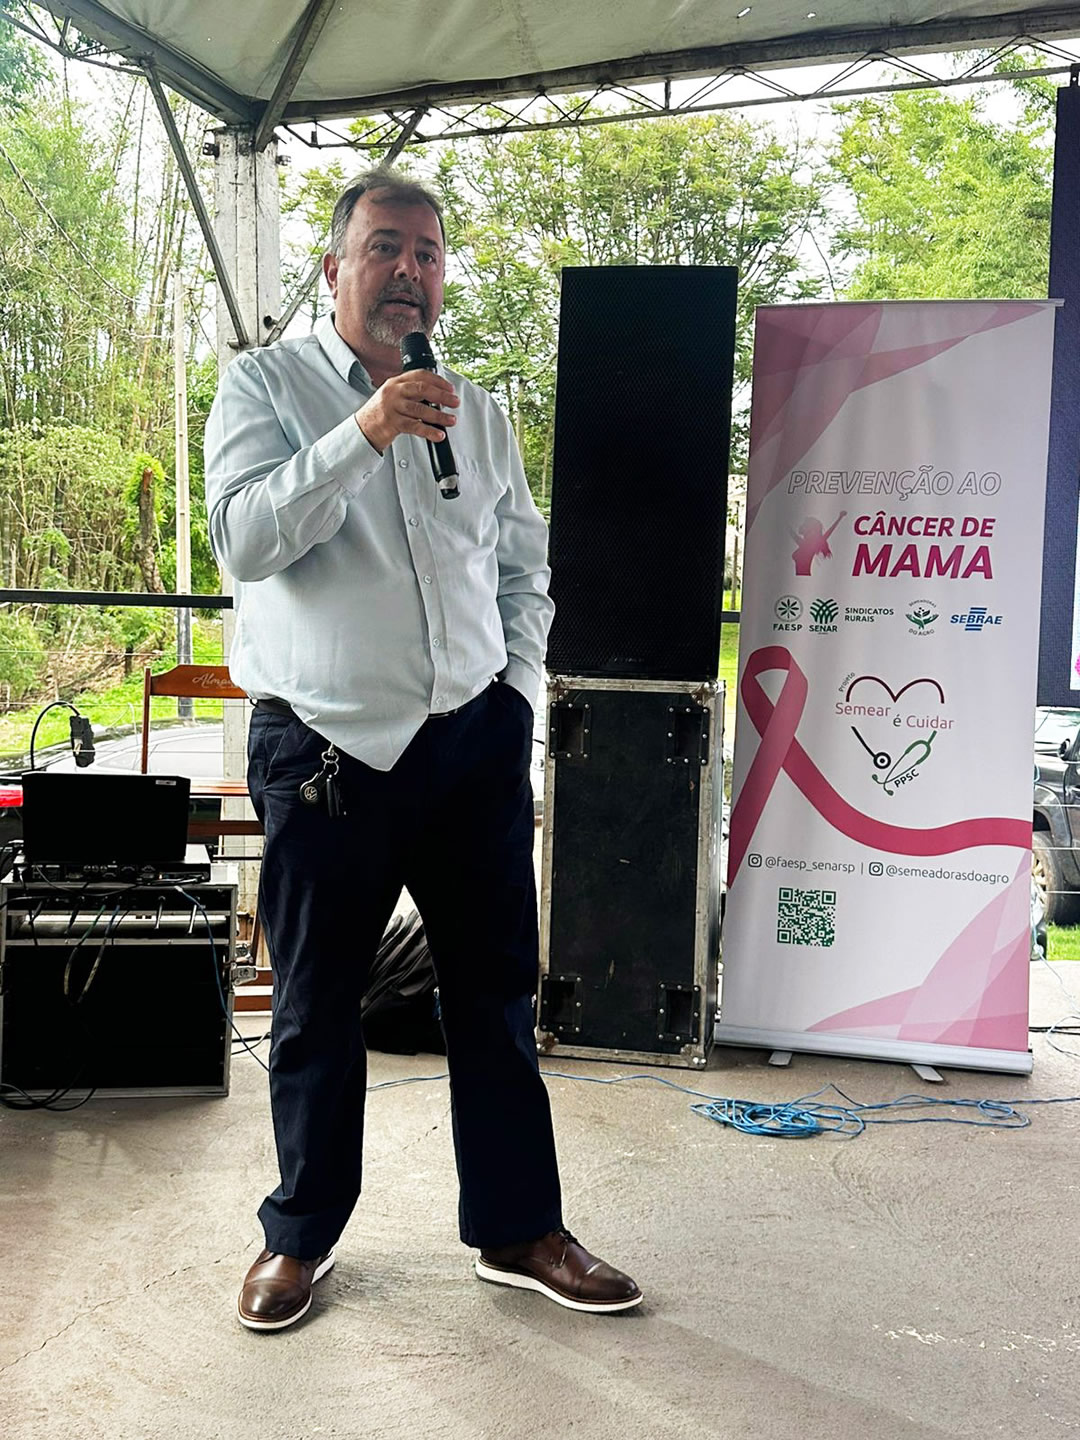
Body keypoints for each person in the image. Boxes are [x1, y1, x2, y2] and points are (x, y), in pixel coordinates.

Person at [204, 167, 641, 1330]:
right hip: (326, 748)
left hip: (472, 745)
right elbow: (243, 542)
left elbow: (521, 569)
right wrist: (365, 432)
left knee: (495, 997)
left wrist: (515, 696)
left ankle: (519, 1228)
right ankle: (299, 1235)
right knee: (314, 1004)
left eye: (429, 252)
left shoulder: (479, 412)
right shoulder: (266, 386)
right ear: (334, 267)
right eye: (386, 246)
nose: (411, 269)